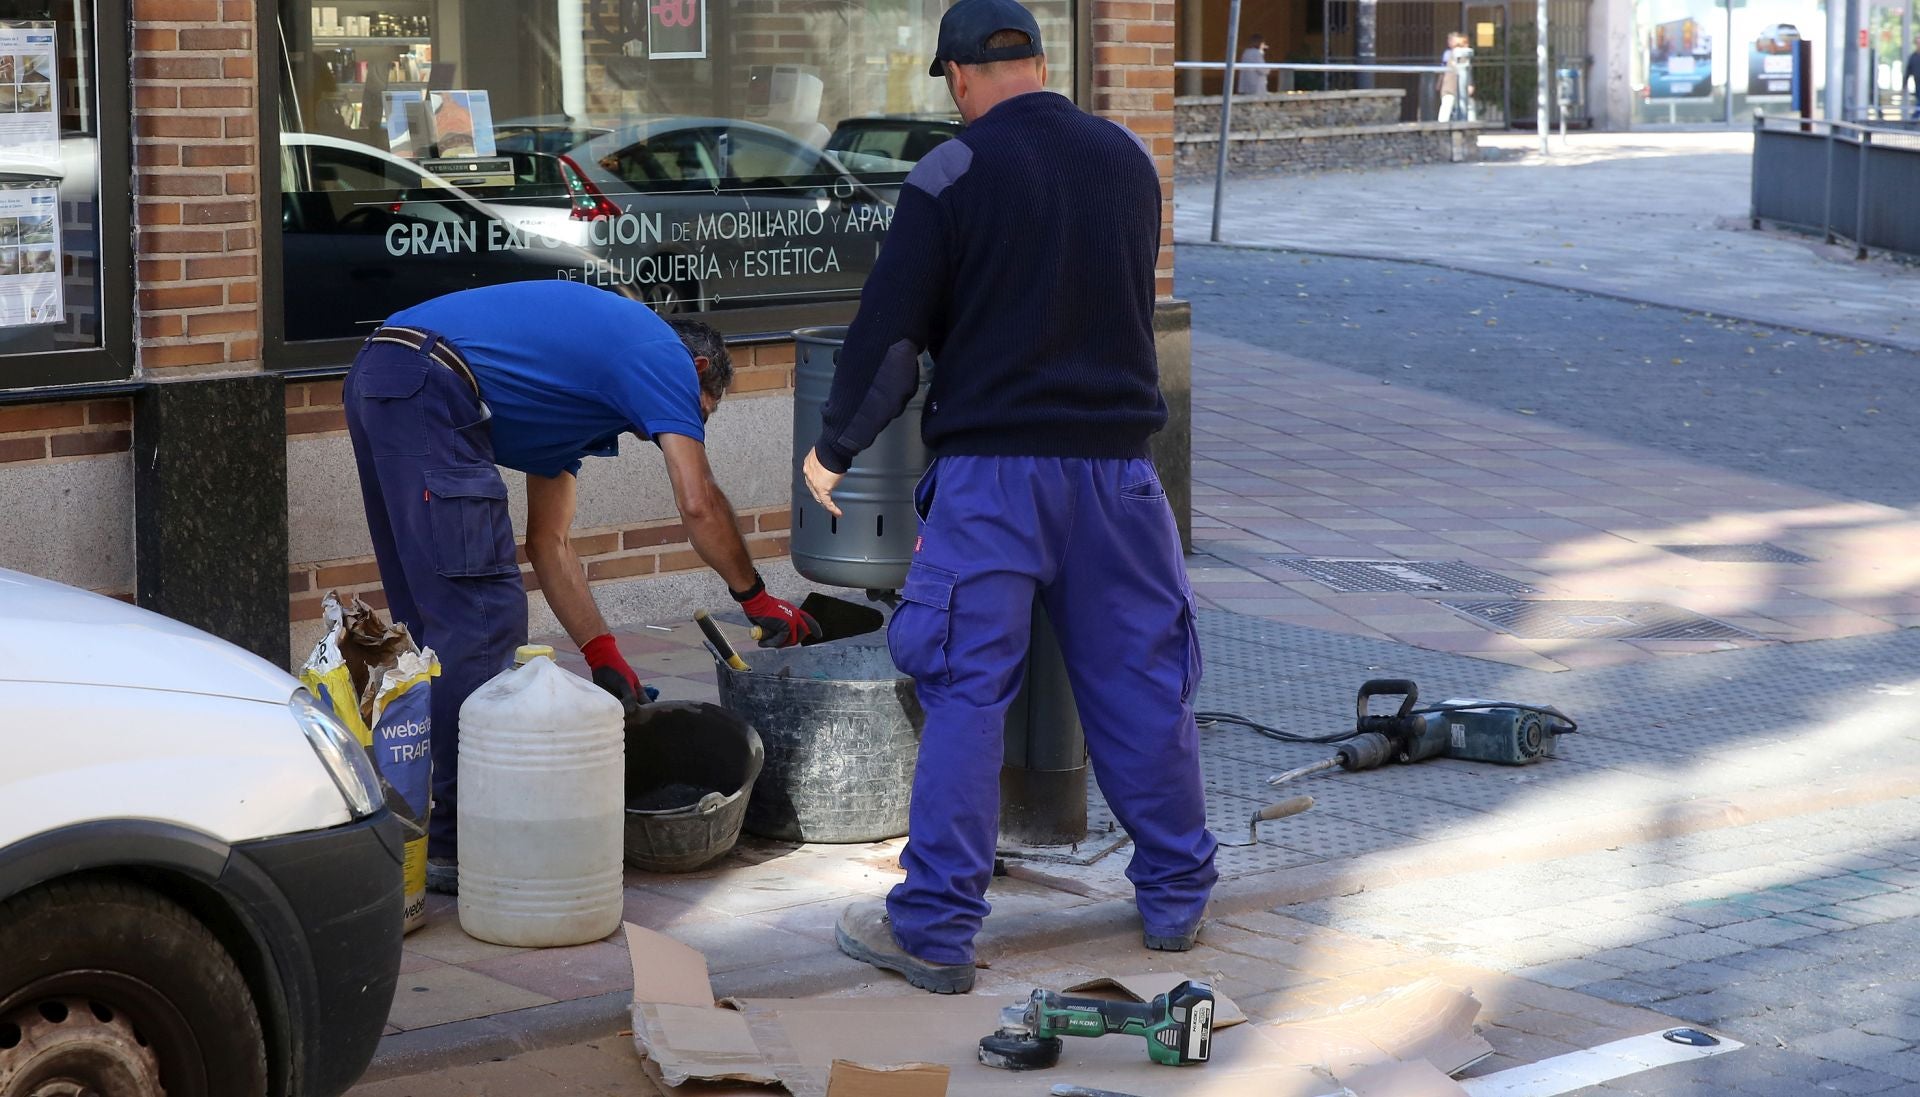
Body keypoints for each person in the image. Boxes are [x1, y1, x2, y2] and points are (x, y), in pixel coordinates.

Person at [803, 0, 1216, 994]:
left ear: (957, 78)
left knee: (966, 690)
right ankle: (1175, 895)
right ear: (1039, 61)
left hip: (996, 478)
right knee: (1140, 683)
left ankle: (936, 928)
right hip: (1121, 472)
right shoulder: (1124, 160)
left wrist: (834, 448)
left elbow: (893, 339)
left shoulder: (951, 172)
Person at [342, 280, 819, 894]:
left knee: (436, 627)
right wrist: (756, 597)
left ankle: (421, 829)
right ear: (697, 369)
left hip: (385, 377)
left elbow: (550, 543)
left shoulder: (569, 396)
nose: (687, 424)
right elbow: (698, 501)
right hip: (429, 382)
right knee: (483, 619)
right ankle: (461, 844)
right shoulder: (662, 354)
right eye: (702, 409)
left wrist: (604, 656)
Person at [1439, 32, 1475, 122]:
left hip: (1460, 86)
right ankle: (1442, 127)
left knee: (1467, 105)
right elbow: (1443, 70)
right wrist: (1439, 82)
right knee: (1447, 105)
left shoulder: (1463, 54)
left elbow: (1467, 70)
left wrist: (1470, 84)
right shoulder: (1448, 54)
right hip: (1450, 85)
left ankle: (1469, 125)